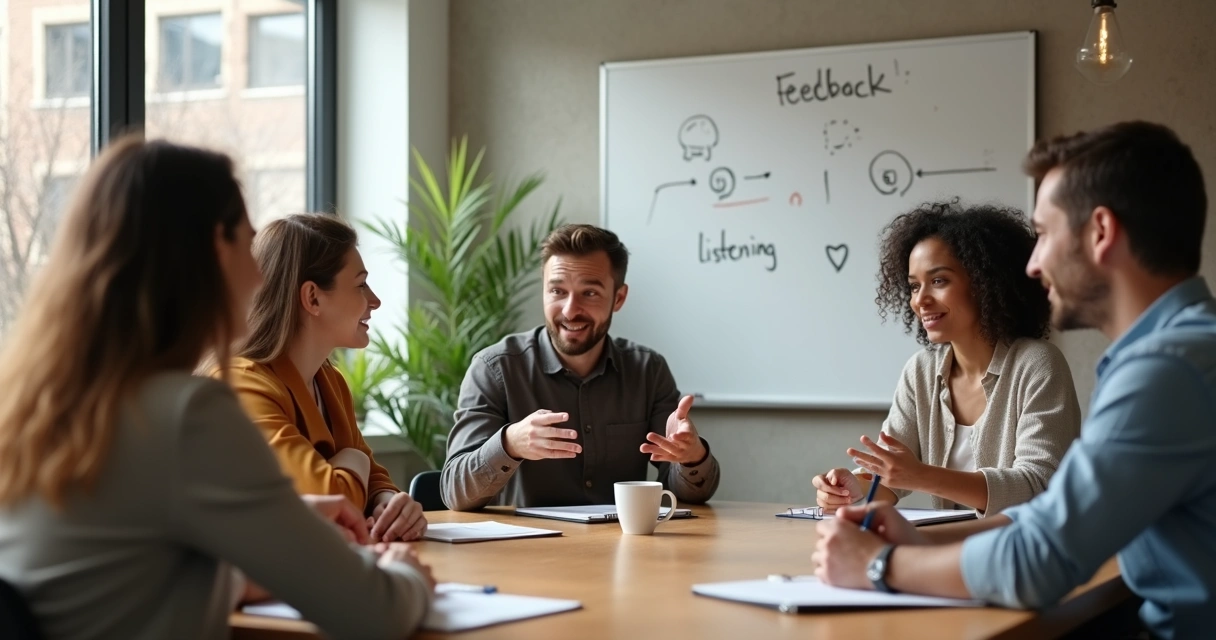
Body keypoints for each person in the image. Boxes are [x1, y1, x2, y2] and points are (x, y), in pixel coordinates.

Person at [0, 137, 434, 640]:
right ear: (213, 253)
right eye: (247, 244)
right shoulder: (188, 413)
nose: (259, 276)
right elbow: (374, 614)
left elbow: (121, 573)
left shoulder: (40, 403)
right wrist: (406, 574)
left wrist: (277, 530)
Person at [813, 121, 1215, 640]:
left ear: (1100, 232)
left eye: (1044, 234)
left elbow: (1040, 560)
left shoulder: (1165, 372)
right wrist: (918, 541)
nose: (1032, 264)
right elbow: (1050, 519)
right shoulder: (1181, 353)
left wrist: (878, 565)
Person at [812, 203, 1082, 516]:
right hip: (950, 542)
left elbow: (1037, 485)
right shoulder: (921, 370)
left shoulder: (1038, 365)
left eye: (938, 281)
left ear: (985, 282)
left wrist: (922, 476)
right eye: (914, 286)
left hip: (1024, 543)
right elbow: (891, 475)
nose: (920, 300)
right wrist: (851, 489)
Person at [441, 224, 721, 510]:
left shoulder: (648, 370)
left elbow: (689, 495)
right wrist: (510, 444)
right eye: (557, 291)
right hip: (528, 540)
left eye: (589, 293)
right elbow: (455, 492)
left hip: (621, 538)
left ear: (618, 298)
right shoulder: (494, 369)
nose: (570, 310)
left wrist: (692, 457)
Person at [217, 213, 426, 542]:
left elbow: (373, 482)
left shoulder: (331, 382)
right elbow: (328, 500)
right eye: (360, 285)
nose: (375, 300)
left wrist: (389, 505)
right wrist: (356, 458)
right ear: (312, 297)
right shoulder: (242, 387)